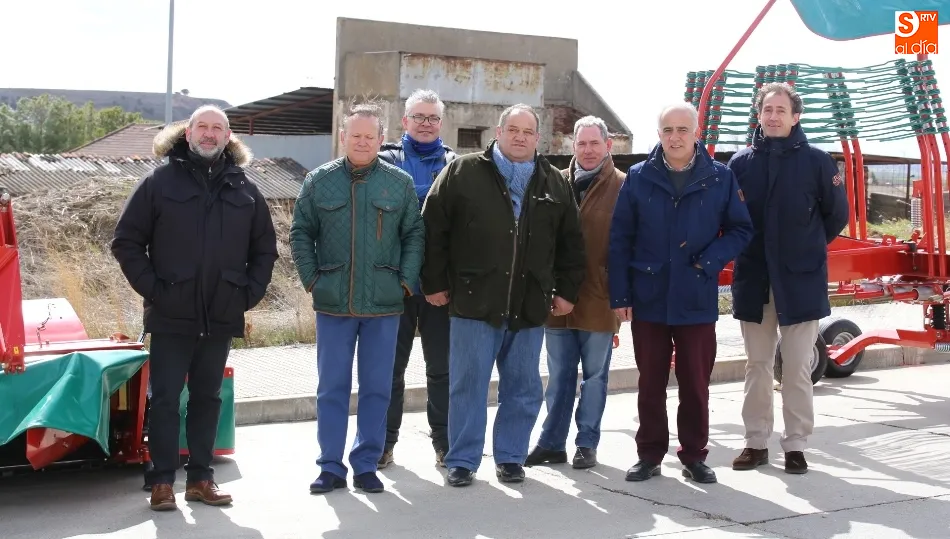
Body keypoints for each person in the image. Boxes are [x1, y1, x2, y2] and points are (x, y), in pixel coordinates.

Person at [111, 105, 278, 510]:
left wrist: (245, 296)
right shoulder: (159, 182)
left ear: (227, 136)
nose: (208, 134)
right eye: (201, 127)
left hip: (220, 314)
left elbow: (265, 250)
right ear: (187, 133)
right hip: (171, 313)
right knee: (166, 399)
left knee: (207, 398)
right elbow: (126, 242)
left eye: (216, 128)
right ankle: (162, 482)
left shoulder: (244, 188)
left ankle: (202, 478)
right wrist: (155, 291)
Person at [421, 103, 586, 487]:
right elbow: (433, 229)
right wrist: (434, 283)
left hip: (529, 304)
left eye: (528, 132)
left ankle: (511, 457)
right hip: (474, 302)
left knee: (524, 387)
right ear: (498, 132)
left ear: (537, 138)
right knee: (467, 385)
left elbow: (572, 245)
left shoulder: (554, 182)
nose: (520, 137)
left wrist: (566, 291)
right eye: (513, 129)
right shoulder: (463, 172)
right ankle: (462, 460)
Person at [608, 102, 753, 485]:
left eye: (682, 130)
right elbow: (620, 238)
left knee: (695, 384)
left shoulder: (720, 177)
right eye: (667, 130)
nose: (675, 137)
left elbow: (741, 230)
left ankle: (694, 455)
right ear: (659, 135)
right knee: (650, 383)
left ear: (696, 133)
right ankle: (649, 455)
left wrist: (709, 262)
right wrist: (620, 295)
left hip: (695, 296)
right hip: (649, 296)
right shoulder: (638, 177)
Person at [289, 101, 425, 495]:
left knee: (378, 387)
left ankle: (366, 464)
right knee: (331, 388)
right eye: (356, 135)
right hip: (333, 303)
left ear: (381, 140)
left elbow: (414, 234)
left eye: (370, 136)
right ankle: (330, 466)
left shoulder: (398, 182)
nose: (363, 142)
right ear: (343, 136)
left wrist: (405, 281)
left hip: (384, 304)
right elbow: (300, 232)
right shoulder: (318, 181)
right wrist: (313, 279)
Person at [727, 82, 849, 475]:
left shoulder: (817, 161)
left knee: (796, 368)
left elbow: (836, 216)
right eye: (768, 110)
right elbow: (730, 219)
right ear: (759, 115)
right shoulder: (740, 163)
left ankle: (796, 445)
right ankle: (755, 443)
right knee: (757, 366)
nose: (774, 116)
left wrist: (805, 248)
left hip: (801, 281)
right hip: (755, 279)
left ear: (796, 117)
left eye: (782, 110)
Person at [525, 116, 623, 470]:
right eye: (582, 143)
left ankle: (586, 443)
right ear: (573, 146)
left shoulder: (623, 187)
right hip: (558, 300)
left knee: (595, 377)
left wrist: (623, 297)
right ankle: (552, 442)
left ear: (607, 145)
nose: (588, 150)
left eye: (595, 143)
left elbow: (628, 247)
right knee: (558, 377)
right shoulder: (554, 183)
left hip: (600, 299)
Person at [377, 89, 458, 469]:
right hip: (395, 284)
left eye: (433, 118)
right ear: (404, 121)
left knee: (441, 369)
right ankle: (384, 443)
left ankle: (444, 443)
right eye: (419, 116)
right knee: (390, 369)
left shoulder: (456, 164)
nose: (426, 123)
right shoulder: (385, 160)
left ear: (441, 124)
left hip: (440, 286)